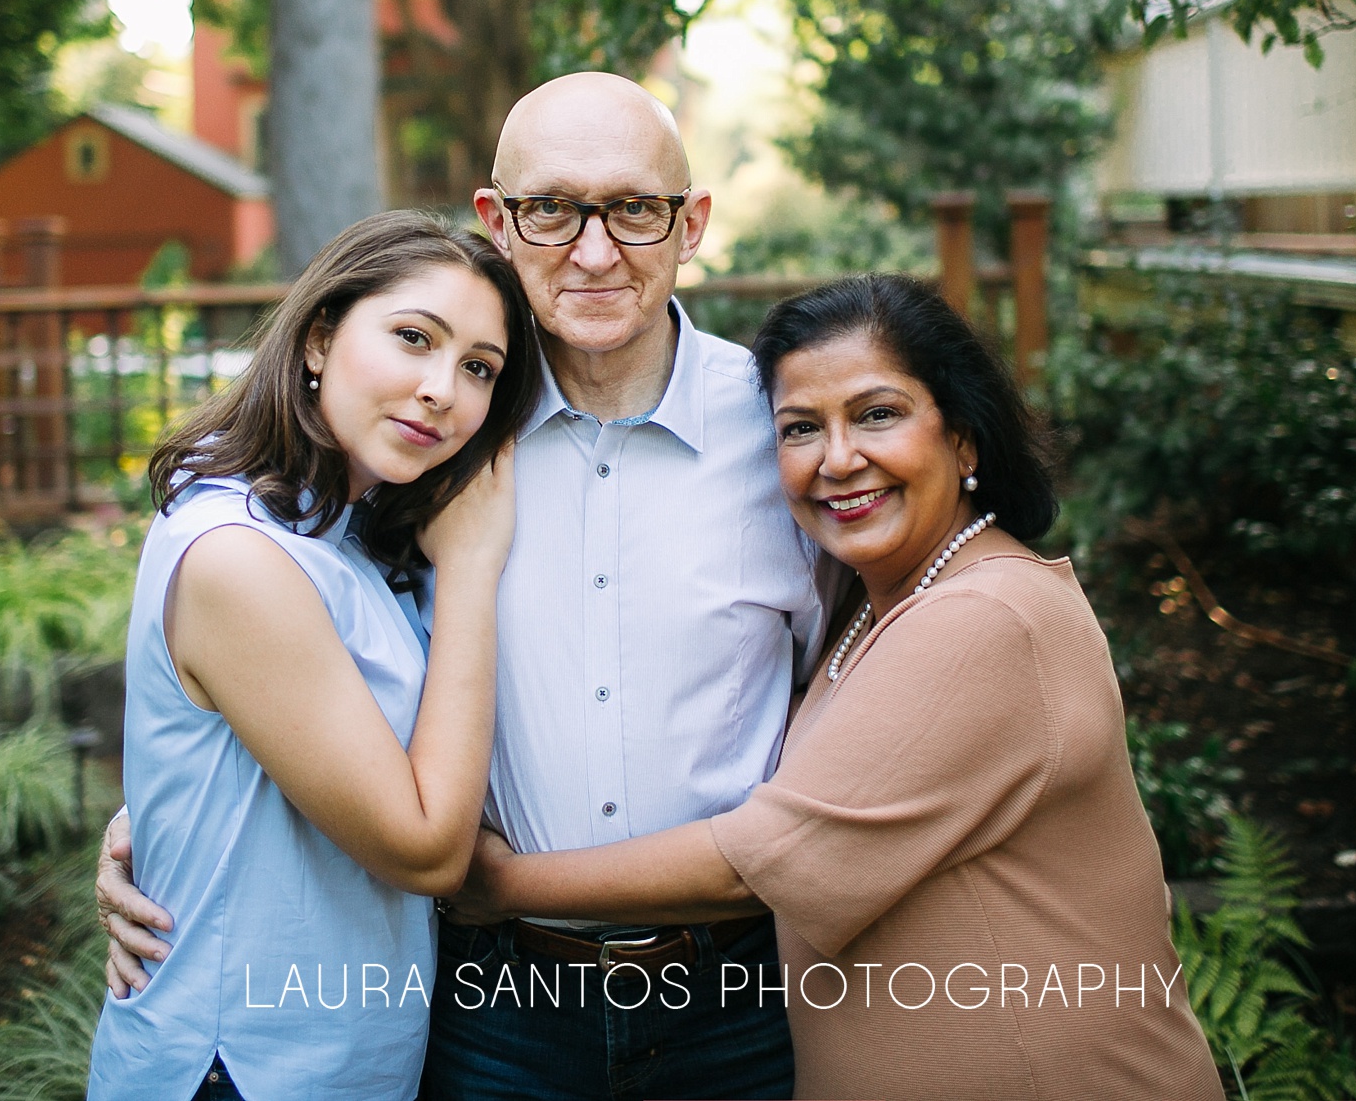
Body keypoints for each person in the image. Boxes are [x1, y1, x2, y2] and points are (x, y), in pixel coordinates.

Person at [99, 73, 830, 1100]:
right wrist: (162, 826)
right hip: (490, 1004)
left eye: (631, 207)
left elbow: (861, 682)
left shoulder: (787, 436)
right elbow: (280, 660)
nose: (592, 249)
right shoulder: (427, 452)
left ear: (690, 221)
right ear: (497, 219)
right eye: (550, 209)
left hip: (736, 998)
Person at [450, 275, 1227, 1101]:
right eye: (799, 429)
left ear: (965, 438)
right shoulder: (879, 609)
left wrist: (499, 884)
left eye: (877, 414)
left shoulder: (989, 616)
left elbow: (761, 863)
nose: (838, 458)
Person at [86, 212, 539, 1101]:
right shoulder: (238, 554)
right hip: (237, 1069)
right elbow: (424, 851)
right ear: (321, 337)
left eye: (478, 367)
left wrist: (146, 823)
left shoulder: (351, 538)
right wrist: (476, 565)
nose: (443, 388)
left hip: (348, 1059)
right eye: (414, 337)